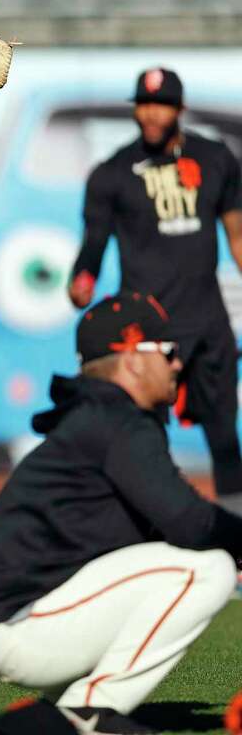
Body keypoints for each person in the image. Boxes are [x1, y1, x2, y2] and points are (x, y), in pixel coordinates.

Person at [0, 293, 242, 735]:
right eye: (168, 352)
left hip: (39, 614)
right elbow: (189, 521)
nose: (177, 364)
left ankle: (40, 723)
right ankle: (90, 711)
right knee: (209, 569)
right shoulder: (114, 421)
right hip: (28, 625)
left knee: (201, 559)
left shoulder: (103, 417)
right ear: (132, 359)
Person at [68, 67, 242, 516]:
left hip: (207, 320)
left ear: (180, 110)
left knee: (224, 437)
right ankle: (153, 537)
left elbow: (237, 236)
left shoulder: (215, 159)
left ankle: (239, 545)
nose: (151, 112)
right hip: (146, 330)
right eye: (144, 103)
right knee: (146, 437)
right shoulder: (113, 173)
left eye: (161, 103)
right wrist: (82, 277)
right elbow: (94, 242)